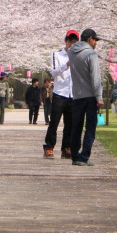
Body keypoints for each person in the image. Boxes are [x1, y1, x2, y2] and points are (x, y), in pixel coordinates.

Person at [67, 28, 104, 166]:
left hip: (77, 95)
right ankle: (84, 156)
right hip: (90, 96)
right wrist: (99, 97)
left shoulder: (71, 52)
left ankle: (75, 155)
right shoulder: (91, 54)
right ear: (90, 39)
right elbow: (95, 78)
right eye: (95, 40)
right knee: (90, 127)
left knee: (76, 126)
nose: (96, 43)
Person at [43, 30, 78, 159]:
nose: (72, 44)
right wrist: (66, 65)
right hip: (60, 93)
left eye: (75, 42)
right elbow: (53, 72)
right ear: (65, 41)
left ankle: (66, 148)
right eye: (70, 41)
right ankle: (49, 146)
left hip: (72, 94)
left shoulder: (79, 56)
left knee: (70, 123)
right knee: (54, 122)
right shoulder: (56, 55)